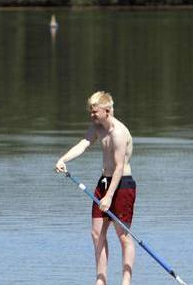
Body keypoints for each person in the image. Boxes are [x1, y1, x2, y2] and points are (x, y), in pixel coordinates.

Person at [55, 91, 136, 285]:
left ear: (107, 110)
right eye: (90, 111)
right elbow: (83, 144)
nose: (91, 115)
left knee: (123, 236)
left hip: (122, 185)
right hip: (104, 182)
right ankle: (101, 280)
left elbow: (119, 167)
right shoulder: (97, 127)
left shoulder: (118, 133)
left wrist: (109, 197)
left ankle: (126, 282)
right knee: (96, 233)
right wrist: (63, 159)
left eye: (95, 112)